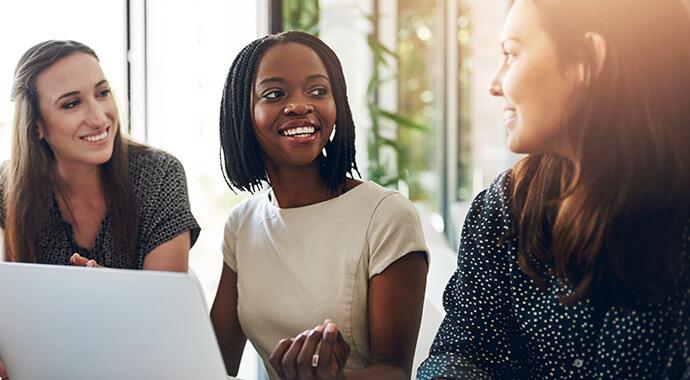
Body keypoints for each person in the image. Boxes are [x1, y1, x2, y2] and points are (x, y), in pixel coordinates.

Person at [417, 0, 690, 379]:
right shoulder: (504, 208)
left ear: (589, 60)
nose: (495, 84)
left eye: (511, 54)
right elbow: (458, 355)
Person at [210, 31, 429, 380]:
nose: (300, 105)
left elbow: (395, 372)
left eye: (317, 91)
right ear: (242, 114)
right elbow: (213, 364)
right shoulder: (242, 224)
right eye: (275, 94)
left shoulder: (385, 215)